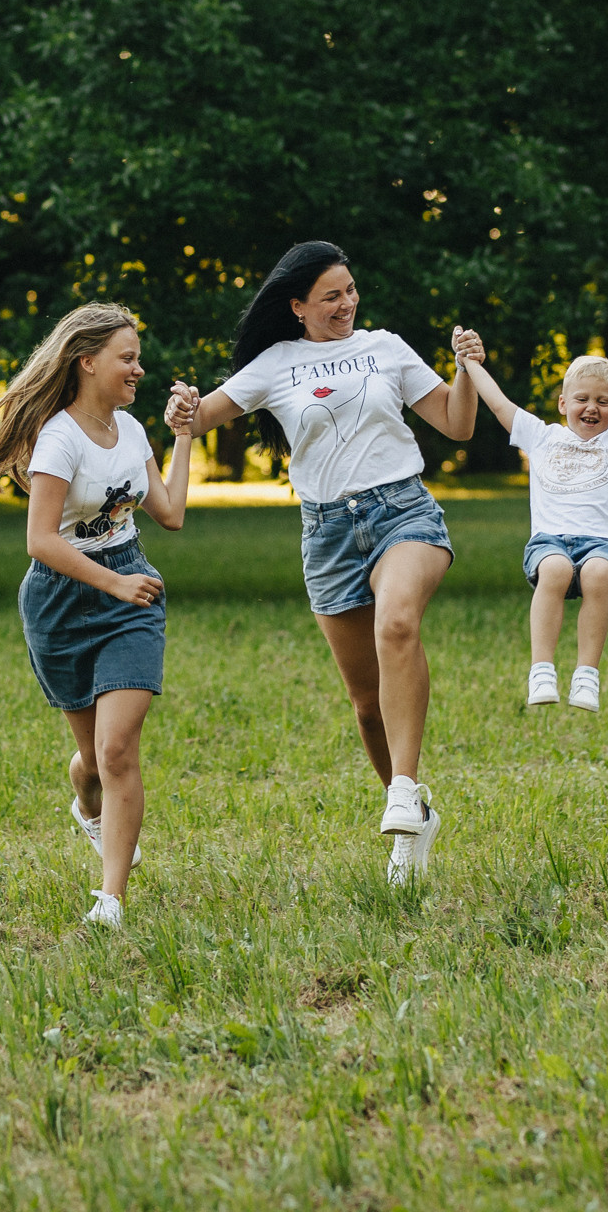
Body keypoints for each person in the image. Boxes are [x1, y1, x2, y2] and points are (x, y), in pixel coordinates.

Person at [163, 241, 484, 885]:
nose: (346, 304)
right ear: (298, 306)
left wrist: (468, 371)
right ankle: (413, 812)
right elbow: (200, 419)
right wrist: (180, 409)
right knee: (367, 705)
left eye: (350, 290)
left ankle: (403, 784)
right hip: (328, 533)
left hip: (403, 512)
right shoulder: (276, 364)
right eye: (331, 295)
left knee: (397, 624)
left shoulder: (387, 348)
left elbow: (456, 424)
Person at [0, 303, 193, 929]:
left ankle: (110, 901)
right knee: (93, 760)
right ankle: (88, 805)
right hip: (62, 602)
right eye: (127, 358)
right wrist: (111, 582)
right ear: (87, 362)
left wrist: (186, 436)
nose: (138, 369)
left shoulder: (134, 430)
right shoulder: (59, 439)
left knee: (118, 749)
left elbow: (169, 512)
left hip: (131, 596)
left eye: (138, 358)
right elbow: (42, 541)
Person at [460, 306, 608, 712]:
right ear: (563, 403)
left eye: (604, 402)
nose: (592, 407)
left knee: (598, 573)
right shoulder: (541, 436)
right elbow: (497, 404)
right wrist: (470, 363)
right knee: (556, 569)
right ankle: (542, 670)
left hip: (603, 543)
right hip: (550, 541)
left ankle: (586, 675)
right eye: (582, 399)